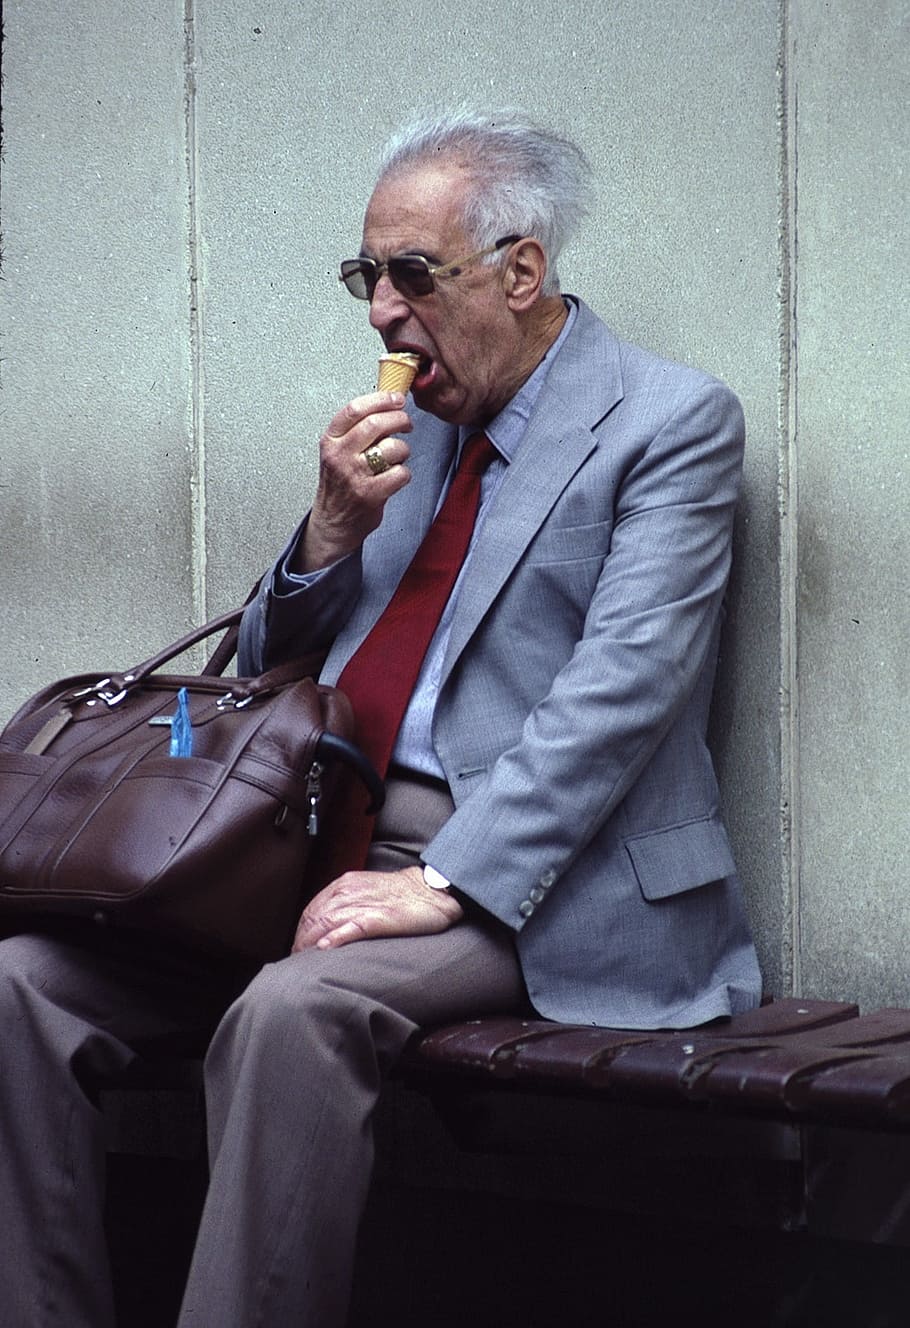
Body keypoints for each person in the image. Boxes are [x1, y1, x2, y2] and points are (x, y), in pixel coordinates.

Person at [0, 107, 761, 1327]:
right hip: (313, 843)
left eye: (414, 274)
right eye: (369, 276)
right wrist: (323, 538)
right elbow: (256, 679)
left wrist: (445, 880)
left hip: (527, 881)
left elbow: (623, 692)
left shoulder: (666, 425)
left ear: (519, 271)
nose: (382, 313)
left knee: (296, 1008)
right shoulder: (406, 434)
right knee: (22, 984)